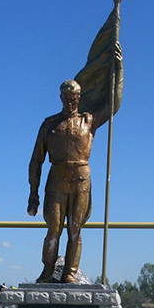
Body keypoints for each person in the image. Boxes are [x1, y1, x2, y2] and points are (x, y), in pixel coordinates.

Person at [27, 59, 122, 283]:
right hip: (57, 180)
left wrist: (118, 69)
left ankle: (70, 272)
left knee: (75, 230)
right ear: (60, 98)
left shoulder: (89, 121)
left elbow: (114, 104)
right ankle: (48, 271)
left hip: (81, 180)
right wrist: (33, 193)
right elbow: (36, 161)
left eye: (74, 98)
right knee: (53, 229)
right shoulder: (49, 124)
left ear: (79, 98)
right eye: (66, 98)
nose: (70, 102)